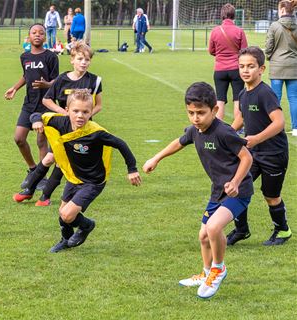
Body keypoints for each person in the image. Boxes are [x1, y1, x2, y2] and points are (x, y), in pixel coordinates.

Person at [143, 82, 253, 299]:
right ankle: (205, 274)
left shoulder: (224, 132)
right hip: (218, 191)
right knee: (203, 236)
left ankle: (218, 269)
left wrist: (236, 182)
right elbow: (179, 142)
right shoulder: (195, 130)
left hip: (238, 191)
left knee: (213, 228)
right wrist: (156, 158)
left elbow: (246, 157)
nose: (195, 118)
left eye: (201, 113)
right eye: (191, 113)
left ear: (214, 110)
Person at [32, 89, 141, 253]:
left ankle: (87, 226)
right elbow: (37, 115)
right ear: (67, 110)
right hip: (73, 177)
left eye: (85, 112)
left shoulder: (96, 133)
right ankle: (65, 241)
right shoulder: (61, 123)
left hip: (93, 182)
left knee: (68, 215)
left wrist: (132, 169)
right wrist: (36, 122)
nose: (80, 116)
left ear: (91, 112)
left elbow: (121, 144)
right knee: (63, 213)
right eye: (75, 111)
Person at [14, 41, 103, 207]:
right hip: (63, 127)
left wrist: (85, 115)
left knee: (59, 161)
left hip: (81, 131)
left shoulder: (94, 81)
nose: (84, 62)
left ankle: (39, 194)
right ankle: (35, 192)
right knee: (51, 159)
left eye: (87, 59)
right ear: (72, 60)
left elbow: (98, 105)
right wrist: (64, 113)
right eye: (80, 58)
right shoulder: (62, 79)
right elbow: (46, 99)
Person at [227, 47, 292, 246]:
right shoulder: (244, 93)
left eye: (251, 66)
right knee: (236, 187)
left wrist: (256, 138)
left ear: (261, 69)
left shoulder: (266, 93)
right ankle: (241, 230)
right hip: (253, 154)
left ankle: (282, 230)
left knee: (271, 197)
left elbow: (279, 122)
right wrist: (226, 135)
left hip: (274, 153)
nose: (245, 70)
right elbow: (241, 118)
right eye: (242, 66)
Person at [4, 24, 59, 188]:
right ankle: (33, 169)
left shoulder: (51, 57)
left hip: (46, 104)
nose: (38, 35)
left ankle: (41, 178)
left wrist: (47, 84)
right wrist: (14, 88)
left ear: (45, 37)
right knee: (19, 138)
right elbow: (25, 76)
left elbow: (57, 80)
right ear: (29, 36)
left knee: (41, 141)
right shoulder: (24, 56)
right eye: (34, 33)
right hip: (29, 104)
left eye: (41, 33)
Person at [208, 3, 248, 121]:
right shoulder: (239, 31)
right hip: (236, 69)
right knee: (237, 98)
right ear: (234, 15)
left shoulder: (215, 31)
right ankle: (237, 126)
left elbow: (211, 50)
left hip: (220, 69)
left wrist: (220, 54)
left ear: (222, 16)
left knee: (220, 99)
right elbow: (244, 50)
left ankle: (218, 125)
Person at [265, 0, 297, 137]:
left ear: (283, 10)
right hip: (294, 67)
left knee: (275, 99)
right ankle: (296, 128)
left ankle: (275, 127)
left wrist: (268, 56)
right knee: (294, 98)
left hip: (277, 67)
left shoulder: (274, 26)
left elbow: (268, 46)